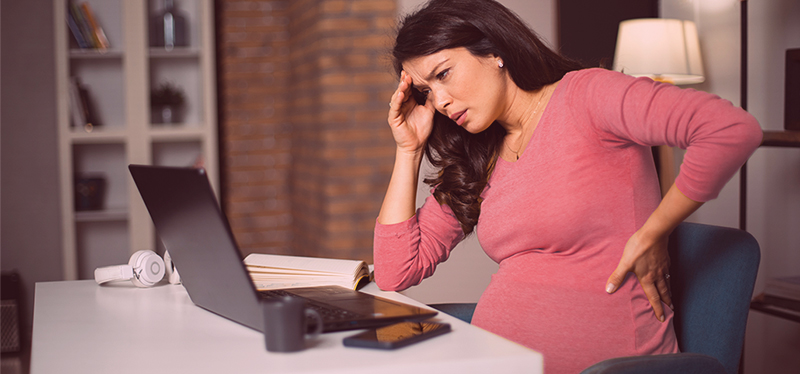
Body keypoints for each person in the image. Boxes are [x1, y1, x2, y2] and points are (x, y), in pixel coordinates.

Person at [372, 0, 762, 372]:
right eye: (426, 91)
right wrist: (409, 149)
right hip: (496, 362)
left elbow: (729, 130)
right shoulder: (480, 154)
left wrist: (653, 232)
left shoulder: (588, 95)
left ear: (494, 51)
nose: (439, 101)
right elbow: (395, 272)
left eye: (443, 74)